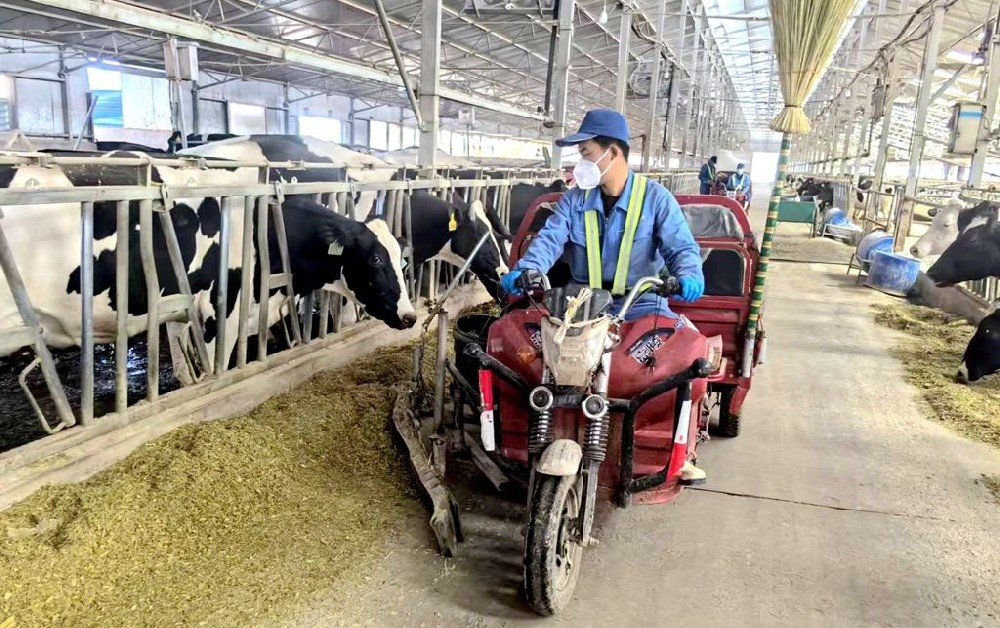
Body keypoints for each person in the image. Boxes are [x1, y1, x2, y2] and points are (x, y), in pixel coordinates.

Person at [498, 108, 707, 484]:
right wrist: (526, 269)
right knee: (524, 346)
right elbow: (549, 240)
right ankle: (525, 431)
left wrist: (689, 275)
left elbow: (682, 247)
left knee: (692, 356)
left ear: (614, 153)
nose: (582, 162)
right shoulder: (574, 200)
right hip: (580, 304)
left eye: (586, 152)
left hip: (640, 302)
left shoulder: (656, 200)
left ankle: (683, 448)